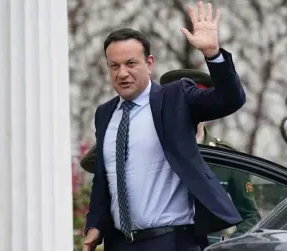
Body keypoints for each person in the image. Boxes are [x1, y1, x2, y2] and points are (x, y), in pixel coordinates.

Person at [83, 2, 246, 251]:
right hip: (119, 244)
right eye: (114, 66)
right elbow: (104, 177)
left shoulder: (174, 97)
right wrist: (95, 224)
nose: (122, 73)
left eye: (130, 63)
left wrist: (213, 54)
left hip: (171, 241)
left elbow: (230, 99)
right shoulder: (105, 113)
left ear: (149, 63)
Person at [159, 69, 261, 240]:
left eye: (197, 104)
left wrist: (229, 246)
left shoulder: (226, 156)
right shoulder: (152, 147)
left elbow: (250, 216)